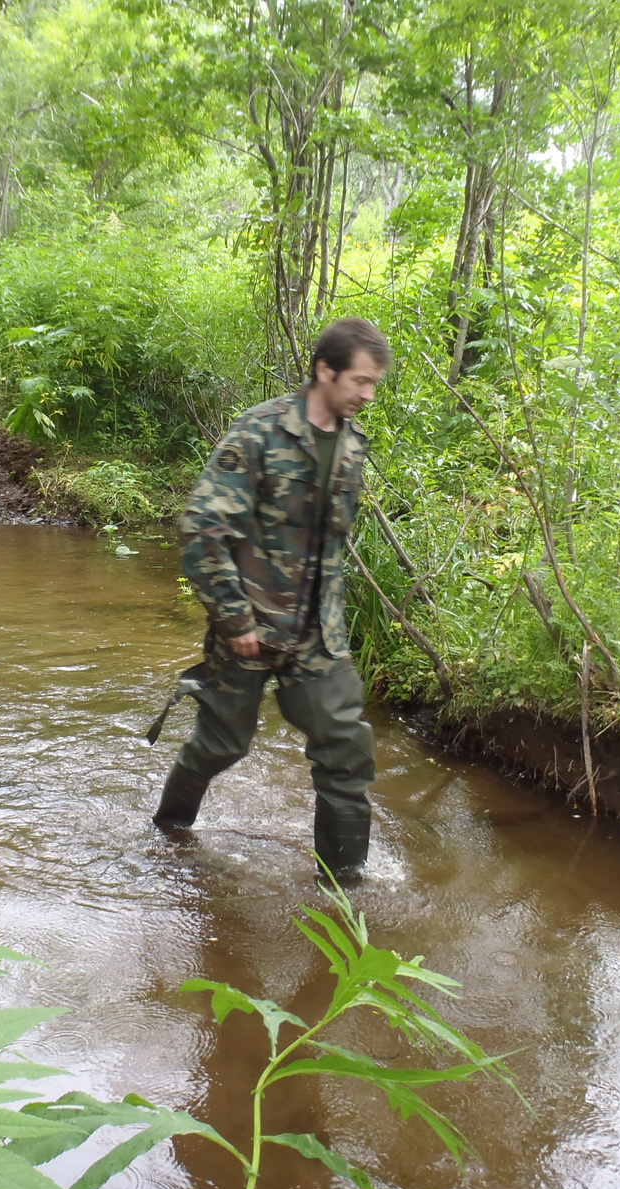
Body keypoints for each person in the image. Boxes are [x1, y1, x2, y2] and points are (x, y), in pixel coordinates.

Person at [150, 317, 390, 882]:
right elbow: (203, 528)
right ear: (324, 370)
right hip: (248, 627)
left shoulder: (353, 445)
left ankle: (345, 889)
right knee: (221, 745)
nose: (366, 394)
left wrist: (329, 629)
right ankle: (167, 834)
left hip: (317, 636)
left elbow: (329, 545)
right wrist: (234, 619)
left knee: (346, 753)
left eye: (374, 384)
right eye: (359, 380)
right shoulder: (259, 431)